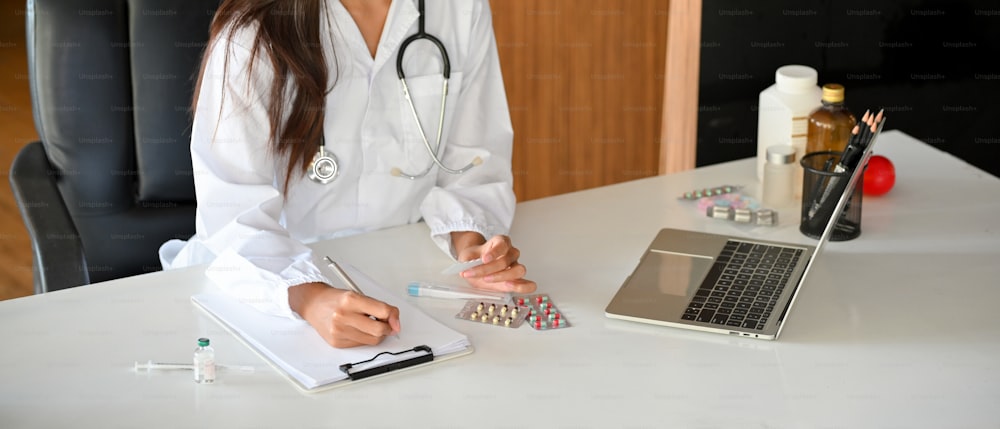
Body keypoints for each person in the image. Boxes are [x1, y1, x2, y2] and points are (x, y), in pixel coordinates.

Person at [159, 0, 536, 348]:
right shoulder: (250, 35)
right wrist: (309, 297)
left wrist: (471, 245)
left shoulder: (459, 8)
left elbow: (473, 158)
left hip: (404, 274)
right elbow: (231, 217)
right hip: (267, 283)